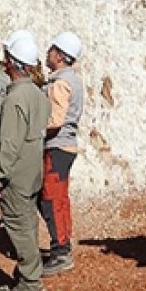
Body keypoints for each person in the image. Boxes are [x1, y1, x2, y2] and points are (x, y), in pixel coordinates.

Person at [0, 35, 52, 291]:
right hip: (32, 170)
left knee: (17, 224)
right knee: (27, 223)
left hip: (15, 174)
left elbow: (9, 143)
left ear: (12, 63)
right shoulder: (38, 95)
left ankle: (30, 281)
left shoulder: (14, 99)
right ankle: (30, 273)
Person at [40, 32, 84, 277]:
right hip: (67, 147)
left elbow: (55, 120)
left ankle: (60, 253)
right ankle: (63, 245)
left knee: (51, 198)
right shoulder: (73, 80)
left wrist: (33, 131)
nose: (47, 53)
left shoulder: (60, 84)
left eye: (50, 50)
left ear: (58, 56)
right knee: (60, 198)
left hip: (56, 146)